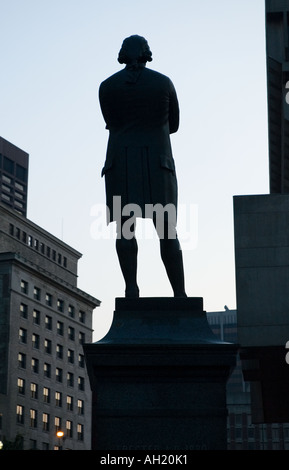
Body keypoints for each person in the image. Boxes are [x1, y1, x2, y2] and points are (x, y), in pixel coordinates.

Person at [99, 35, 187, 298]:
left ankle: (131, 289)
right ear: (147, 53)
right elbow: (174, 124)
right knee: (167, 230)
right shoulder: (163, 83)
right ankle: (180, 294)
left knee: (125, 228)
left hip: (121, 161)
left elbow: (111, 120)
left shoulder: (107, 86)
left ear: (123, 54)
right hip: (157, 162)